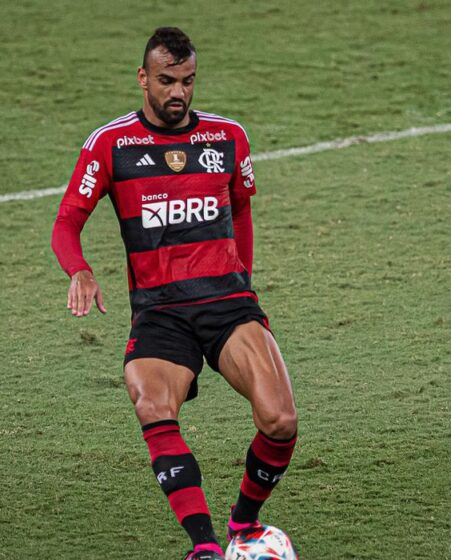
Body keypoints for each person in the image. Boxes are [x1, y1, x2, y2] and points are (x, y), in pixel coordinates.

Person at [51, 27, 297, 560]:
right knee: (151, 402)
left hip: (227, 303)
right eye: (166, 81)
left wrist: (244, 282)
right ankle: (204, 547)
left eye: (187, 81)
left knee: (281, 421)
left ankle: (244, 526)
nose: (178, 92)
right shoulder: (111, 144)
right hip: (160, 311)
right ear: (143, 79)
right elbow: (67, 222)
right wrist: (80, 270)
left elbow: (241, 209)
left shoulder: (227, 137)